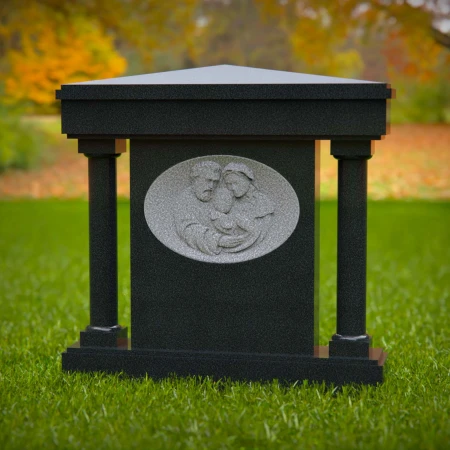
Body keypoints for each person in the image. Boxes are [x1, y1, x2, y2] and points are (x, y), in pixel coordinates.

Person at [173, 161, 247, 255]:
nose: (211, 186)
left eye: (215, 182)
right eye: (208, 180)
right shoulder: (185, 199)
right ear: (195, 179)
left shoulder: (218, 194)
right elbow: (188, 229)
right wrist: (219, 240)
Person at [221, 162, 275, 253]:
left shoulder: (262, 202)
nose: (232, 187)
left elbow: (259, 231)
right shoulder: (228, 201)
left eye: (235, 183)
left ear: (247, 180)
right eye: (228, 184)